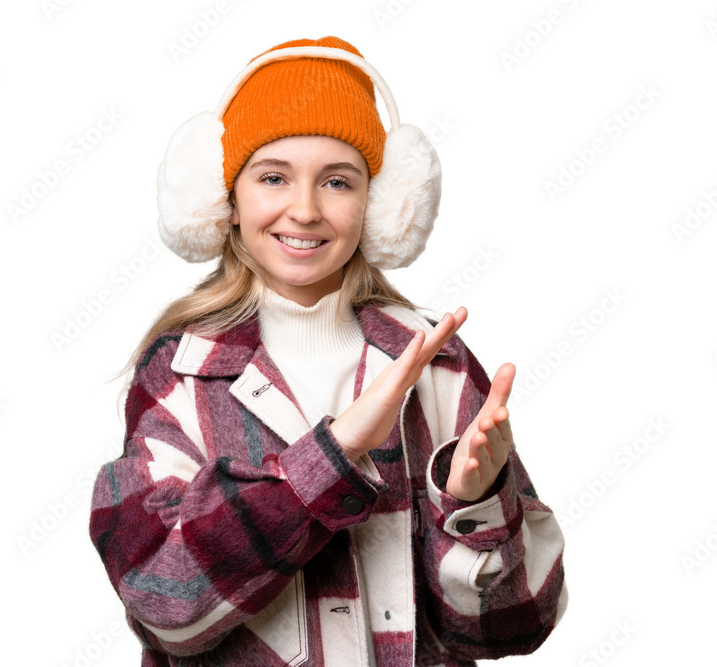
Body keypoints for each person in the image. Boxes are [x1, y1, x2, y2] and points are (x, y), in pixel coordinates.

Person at [89, 35, 567, 666]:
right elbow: (164, 606)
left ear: (380, 206)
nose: (306, 209)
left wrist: (475, 505)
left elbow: (513, 631)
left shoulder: (437, 365)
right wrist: (334, 455)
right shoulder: (179, 373)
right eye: (273, 177)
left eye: (337, 181)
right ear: (226, 198)